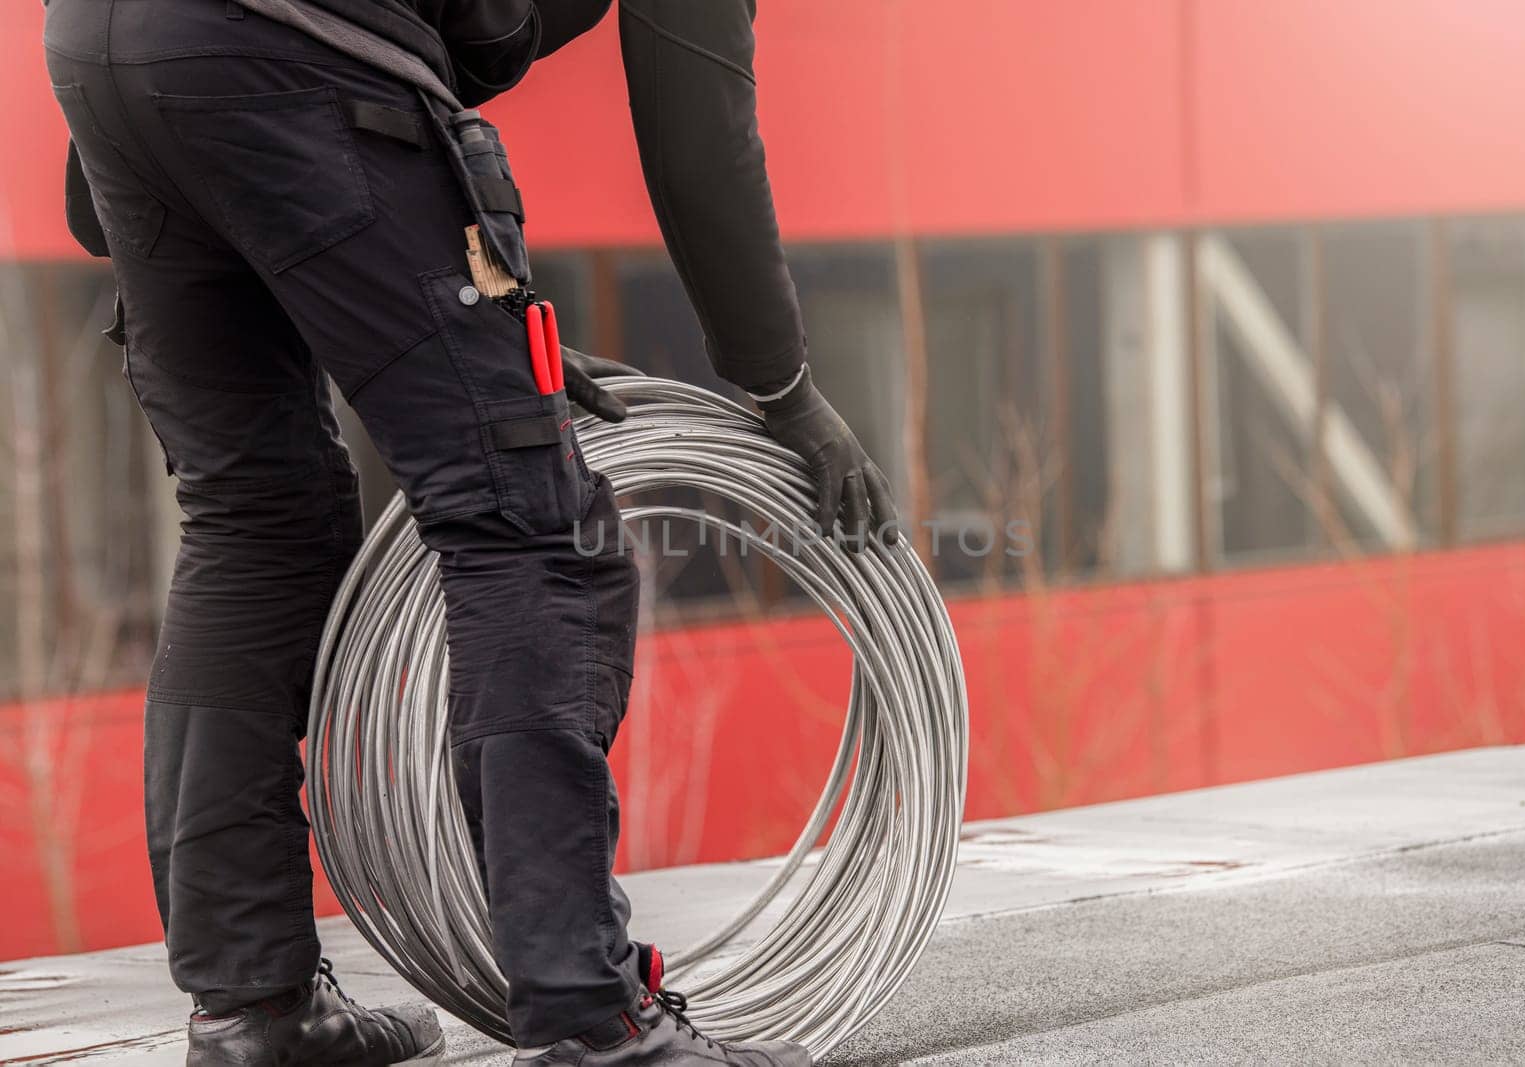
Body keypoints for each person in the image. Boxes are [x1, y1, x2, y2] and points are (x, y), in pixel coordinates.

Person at [41, 0, 897, 1063]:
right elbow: (699, 141)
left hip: (105, 44)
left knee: (252, 521)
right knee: (529, 521)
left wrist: (465, 327)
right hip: (282, 51)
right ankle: (592, 1018)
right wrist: (785, 388)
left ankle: (249, 1007)